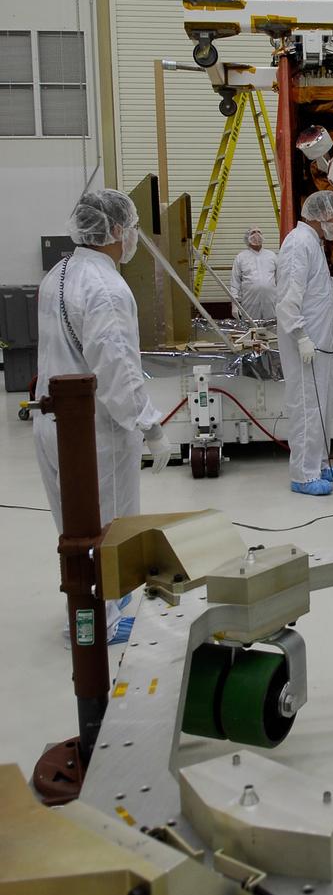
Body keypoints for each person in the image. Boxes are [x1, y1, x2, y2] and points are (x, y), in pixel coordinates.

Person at [32, 189, 171, 643]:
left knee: (73, 525)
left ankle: (87, 604)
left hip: (53, 424)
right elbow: (115, 368)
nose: (132, 237)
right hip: (96, 432)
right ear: (115, 231)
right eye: (130, 228)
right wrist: (149, 423)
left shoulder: (57, 274)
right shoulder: (107, 287)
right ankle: (108, 619)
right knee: (109, 526)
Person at [276, 190, 333, 496]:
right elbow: (286, 301)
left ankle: (319, 462)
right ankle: (303, 475)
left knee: (323, 404)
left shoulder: (313, 244)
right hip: (305, 345)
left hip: (320, 345)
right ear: (322, 216)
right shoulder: (298, 243)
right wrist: (301, 335)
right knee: (307, 406)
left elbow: (310, 287)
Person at [230, 226, 277, 321]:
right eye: (253, 233)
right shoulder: (241, 257)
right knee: (251, 329)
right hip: (250, 302)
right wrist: (234, 303)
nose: (256, 235)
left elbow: (280, 279)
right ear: (247, 238)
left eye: (259, 232)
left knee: (272, 329)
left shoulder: (272, 256)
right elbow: (235, 282)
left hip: (271, 302)